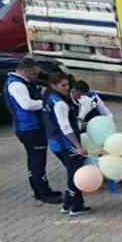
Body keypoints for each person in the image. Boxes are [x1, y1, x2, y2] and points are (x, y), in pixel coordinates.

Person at [4, 58, 57, 204]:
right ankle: (44, 193)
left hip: (28, 127)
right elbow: (26, 105)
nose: (36, 76)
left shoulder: (19, 82)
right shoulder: (17, 84)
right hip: (30, 128)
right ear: (26, 70)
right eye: (34, 73)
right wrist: (46, 102)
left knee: (34, 160)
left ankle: (40, 190)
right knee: (37, 162)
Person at [42, 72, 90, 217]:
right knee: (75, 174)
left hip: (54, 142)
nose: (67, 88)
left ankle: (68, 204)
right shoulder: (60, 103)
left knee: (71, 172)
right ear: (53, 85)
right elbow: (65, 127)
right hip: (65, 143)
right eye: (63, 85)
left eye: (68, 84)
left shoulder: (48, 97)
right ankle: (75, 207)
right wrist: (78, 146)